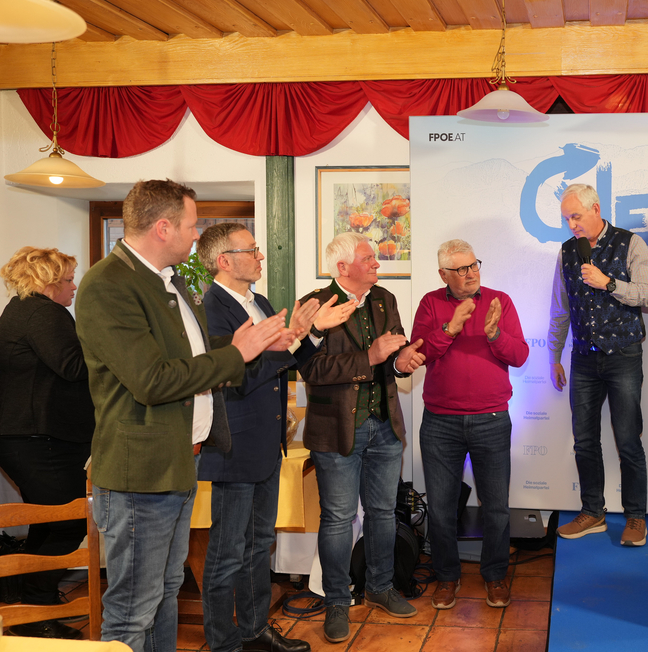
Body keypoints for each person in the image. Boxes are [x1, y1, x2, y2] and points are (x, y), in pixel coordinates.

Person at [74, 179, 290, 652]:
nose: (196, 236)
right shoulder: (109, 285)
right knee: (133, 609)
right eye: (192, 226)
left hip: (178, 460)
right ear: (163, 227)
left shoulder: (169, 281)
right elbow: (152, 379)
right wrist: (237, 353)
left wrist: (251, 344)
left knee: (166, 591)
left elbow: (193, 354)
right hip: (140, 472)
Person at [195, 223, 355, 652]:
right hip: (234, 448)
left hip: (266, 444)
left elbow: (292, 360)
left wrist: (311, 332)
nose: (261, 256)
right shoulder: (211, 311)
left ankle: (254, 631)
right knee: (227, 553)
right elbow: (239, 377)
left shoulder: (260, 302)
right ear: (224, 261)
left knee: (258, 546)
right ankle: (222, 642)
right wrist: (292, 339)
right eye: (252, 250)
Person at [297, 232, 426, 644]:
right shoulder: (314, 305)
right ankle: (337, 600)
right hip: (336, 430)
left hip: (384, 424)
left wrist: (403, 362)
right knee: (338, 518)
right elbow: (312, 370)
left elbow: (394, 358)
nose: (376, 263)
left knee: (383, 512)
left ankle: (380, 587)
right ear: (342, 267)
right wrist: (370, 357)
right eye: (368, 258)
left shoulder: (385, 299)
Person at [410, 239, 529, 610]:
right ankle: (447, 577)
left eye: (474, 265)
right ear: (443, 274)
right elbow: (418, 353)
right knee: (441, 508)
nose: (470, 273)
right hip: (440, 422)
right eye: (460, 269)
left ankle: (495, 576)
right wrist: (449, 328)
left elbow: (520, 355)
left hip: (491, 419)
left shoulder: (500, 301)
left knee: (496, 507)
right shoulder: (431, 303)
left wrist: (495, 334)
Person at [548, 183, 648, 547]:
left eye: (576, 216)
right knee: (584, 440)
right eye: (566, 219)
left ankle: (636, 516)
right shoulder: (567, 252)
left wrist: (610, 283)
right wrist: (554, 355)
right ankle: (592, 512)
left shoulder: (631, 243)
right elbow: (561, 307)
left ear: (595, 209)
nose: (571, 225)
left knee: (628, 440)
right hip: (582, 357)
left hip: (623, 355)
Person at [0, 247, 94, 639]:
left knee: (49, 523)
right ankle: (35, 611)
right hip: (41, 438)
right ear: (47, 282)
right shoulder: (43, 313)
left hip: (31, 436)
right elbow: (74, 366)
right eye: (68, 279)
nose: (74, 286)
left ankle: (33, 605)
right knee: (67, 521)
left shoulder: (21, 310)